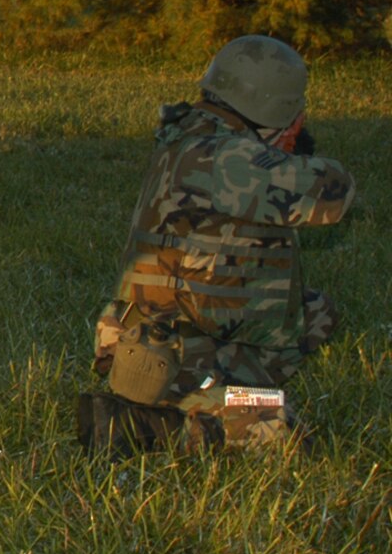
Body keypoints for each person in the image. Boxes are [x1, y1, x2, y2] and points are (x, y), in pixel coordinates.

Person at [80, 35, 355, 455]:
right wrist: (286, 145)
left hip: (151, 329)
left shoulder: (190, 134)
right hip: (169, 351)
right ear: (281, 109)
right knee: (280, 431)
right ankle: (149, 426)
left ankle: (215, 389)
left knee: (316, 311)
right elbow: (334, 192)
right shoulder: (227, 157)